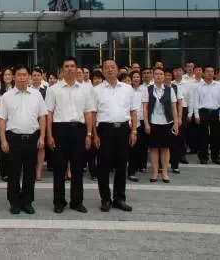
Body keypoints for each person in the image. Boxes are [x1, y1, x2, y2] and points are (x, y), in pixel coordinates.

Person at [45, 57, 94, 214]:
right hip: (60, 130)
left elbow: (88, 113)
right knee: (59, 169)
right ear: (62, 69)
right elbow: (49, 113)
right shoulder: (53, 89)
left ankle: (77, 202)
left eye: (72, 66)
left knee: (78, 168)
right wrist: (49, 135)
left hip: (79, 130)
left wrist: (89, 134)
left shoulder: (85, 89)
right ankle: (59, 201)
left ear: (77, 68)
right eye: (66, 66)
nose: (70, 68)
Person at [0, 65, 47, 215]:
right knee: (14, 172)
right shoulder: (7, 96)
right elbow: (2, 120)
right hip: (14, 138)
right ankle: (14, 202)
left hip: (32, 138)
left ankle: (27, 201)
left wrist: (42, 137)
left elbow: (42, 117)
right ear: (14, 77)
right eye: (19, 75)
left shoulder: (36, 95)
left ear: (29, 76)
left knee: (30, 172)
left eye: (25, 74)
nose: (22, 77)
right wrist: (3, 140)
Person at [91, 59, 138, 213]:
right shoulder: (96, 90)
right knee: (103, 166)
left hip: (123, 129)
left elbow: (133, 111)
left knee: (121, 165)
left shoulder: (127, 88)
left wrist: (134, 131)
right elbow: (93, 114)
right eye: (107, 68)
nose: (110, 70)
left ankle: (119, 199)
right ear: (103, 71)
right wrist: (94, 135)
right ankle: (105, 199)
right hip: (104, 130)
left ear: (118, 70)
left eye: (113, 67)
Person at [143, 68, 179, 183]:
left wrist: (176, 123)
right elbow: (145, 108)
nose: (159, 76)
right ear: (153, 76)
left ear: (164, 76)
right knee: (153, 148)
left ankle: (164, 172)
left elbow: (174, 108)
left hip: (167, 122)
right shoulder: (147, 89)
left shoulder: (170, 90)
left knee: (165, 148)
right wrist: (146, 123)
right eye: (156, 74)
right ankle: (154, 172)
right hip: (153, 122)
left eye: (161, 74)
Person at [192, 65, 220, 165]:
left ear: (214, 74)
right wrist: (196, 115)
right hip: (203, 112)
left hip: (216, 112)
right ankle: (203, 157)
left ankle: (216, 157)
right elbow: (195, 102)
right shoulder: (198, 86)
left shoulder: (219, 85)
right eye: (207, 71)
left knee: (216, 136)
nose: (210, 73)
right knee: (203, 136)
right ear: (204, 73)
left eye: (212, 71)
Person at [0, 68, 14, 182]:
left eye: (9, 74)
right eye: (5, 75)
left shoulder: (15, 89)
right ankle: (4, 172)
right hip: (1, 122)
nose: (7, 76)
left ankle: (13, 171)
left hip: (13, 123)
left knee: (13, 148)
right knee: (4, 148)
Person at [127, 71, 147, 181]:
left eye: (138, 77)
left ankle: (139, 166)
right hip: (128, 121)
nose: (136, 79)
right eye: (134, 77)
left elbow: (145, 106)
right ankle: (130, 170)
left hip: (140, 121)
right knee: (131, 147)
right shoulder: (127, 90)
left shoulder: (144, 90)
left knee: (140, 145)